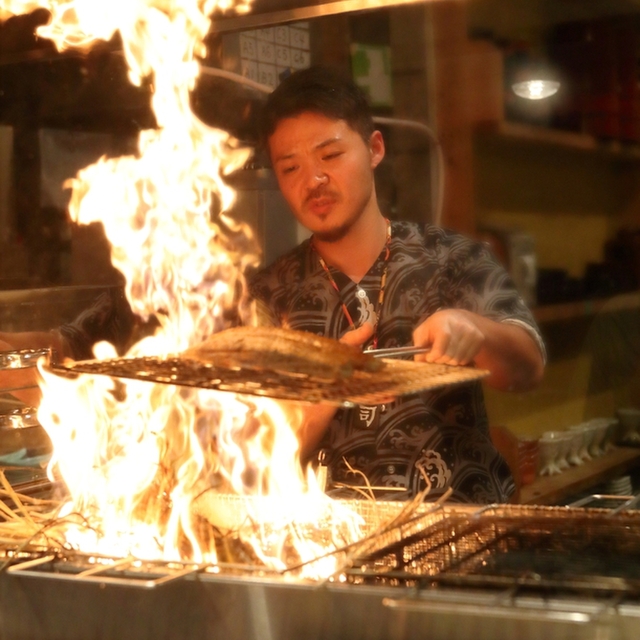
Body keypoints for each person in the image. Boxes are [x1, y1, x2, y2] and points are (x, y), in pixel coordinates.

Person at [248, 65, 546, 504]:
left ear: (374, 149)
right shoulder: (270, 294)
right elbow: (252, 460)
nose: (313, 181)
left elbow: (527, 370)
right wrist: (328, 392)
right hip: (332, 550)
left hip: (460, 536)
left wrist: (473, 327)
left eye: (330, 156)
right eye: (291, 168)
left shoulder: (452, 257)